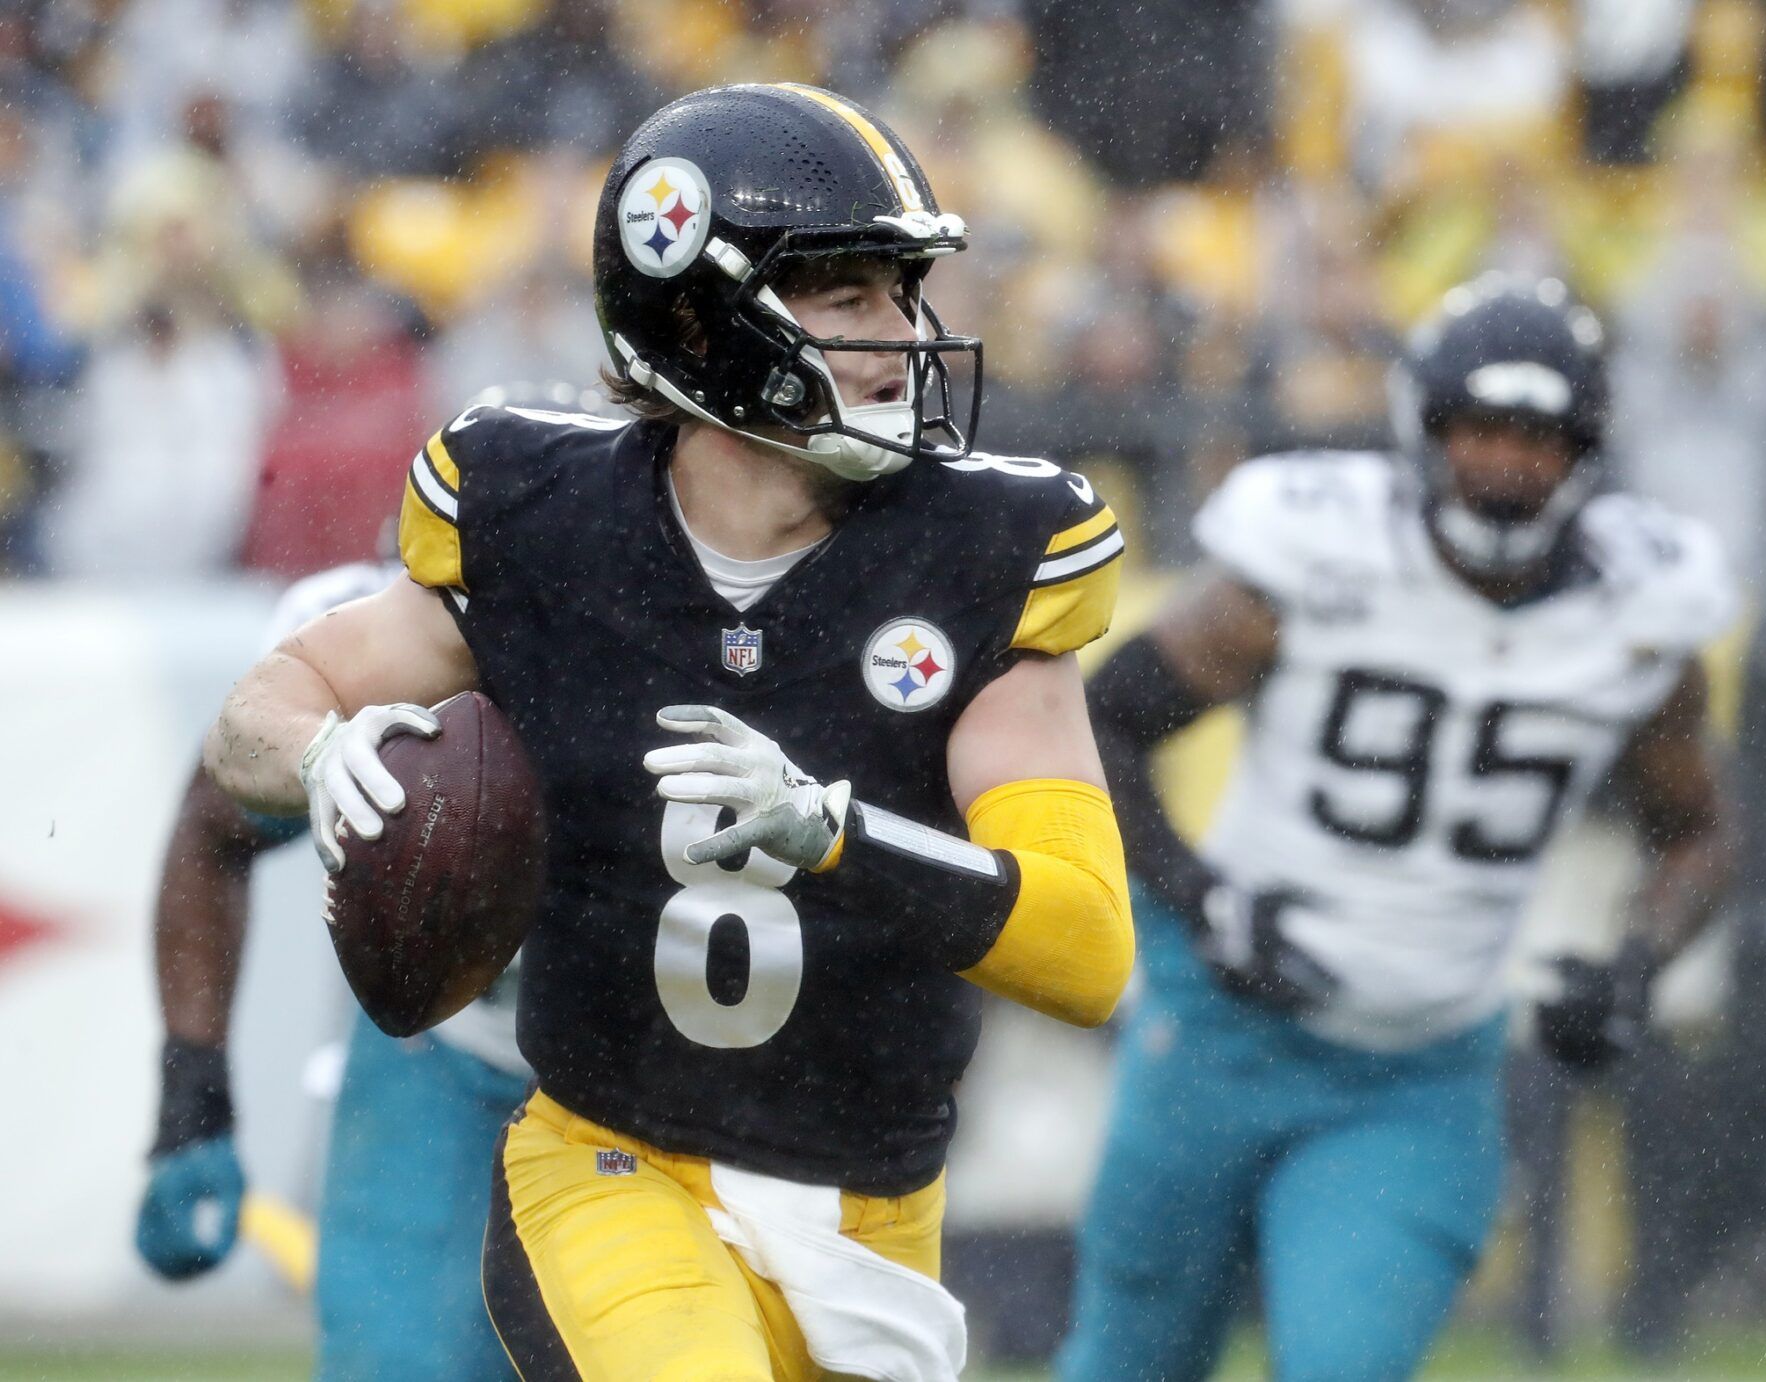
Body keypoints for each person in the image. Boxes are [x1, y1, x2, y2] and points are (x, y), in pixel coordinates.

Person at [202, 83, 1134, 1382]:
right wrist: (316, 754)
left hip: (872, 1206)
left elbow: (1088, 947)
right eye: (848, 294)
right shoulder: (542, 513)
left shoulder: (982, 549)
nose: (900, 336)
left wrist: (838, 837)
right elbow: (261, 708)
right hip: (614, 1159)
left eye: (903, 292)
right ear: (695, 313)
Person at [1058, 275, 1736, 1382]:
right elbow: (1105, 722)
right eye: (1480, 429)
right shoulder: (1318, 551)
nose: (1506, 464)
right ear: (1423, 426)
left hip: (1416, 1072)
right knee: (1128, 1361)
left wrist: (1636, 964)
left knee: (1345, 1363)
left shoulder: (1641, 611)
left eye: (1539, 437)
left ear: (1589, 448)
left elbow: (1698, 832)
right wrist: (1199, 893)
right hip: (1217, 1026)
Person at [135, 555, 528, 1382]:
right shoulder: (362, 630)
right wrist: (191, 1087)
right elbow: (214, 831)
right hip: (450, 1050)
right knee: (400, 1365)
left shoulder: (722, 617)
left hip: (671, 1076)